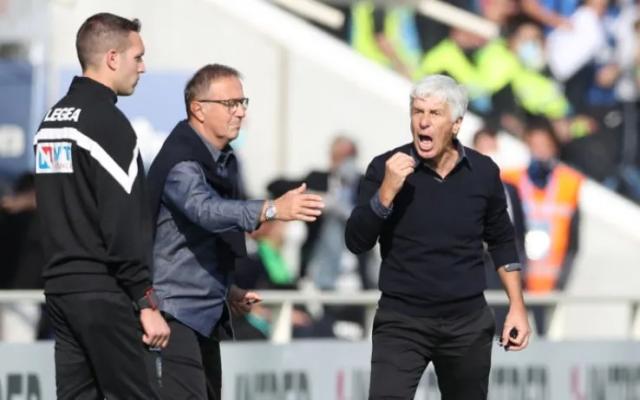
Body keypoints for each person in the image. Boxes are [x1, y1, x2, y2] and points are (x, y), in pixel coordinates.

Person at [345, 74, 531, 399]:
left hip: (467, 323)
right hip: (402, 321)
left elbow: (502, 241)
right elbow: (356, 241)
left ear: (456, 124)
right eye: (418, 112)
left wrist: (517, 306)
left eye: (434, 113)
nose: (424, 122)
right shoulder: (385, 168)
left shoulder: (484, 172)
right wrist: (386, 193)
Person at [146, 63, 324, 400]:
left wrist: (226, 289)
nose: (240, 112)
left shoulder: (222, 159)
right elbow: (206, 211)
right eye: (230, 104)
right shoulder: (182, 163)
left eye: (243, 103)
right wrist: (272, 209)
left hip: (201, 312)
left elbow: (198, 241)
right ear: (198, 109)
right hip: (172, 313)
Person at [33, 13, 170, 400]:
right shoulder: (108, 123)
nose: (142, 67)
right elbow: (122, 223)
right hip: (104, 290)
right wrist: (145, 300)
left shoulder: (50, 123)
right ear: (112, 58)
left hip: (61, 291)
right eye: (137, 57)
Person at [502, 118, 583, 333]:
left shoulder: (569, 183)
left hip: (551, 285)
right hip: (516, 283)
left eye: (544, 145)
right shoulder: (510, 179)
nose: (539, 152)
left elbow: (574, 242)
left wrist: (562, 281)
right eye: (534, 145)